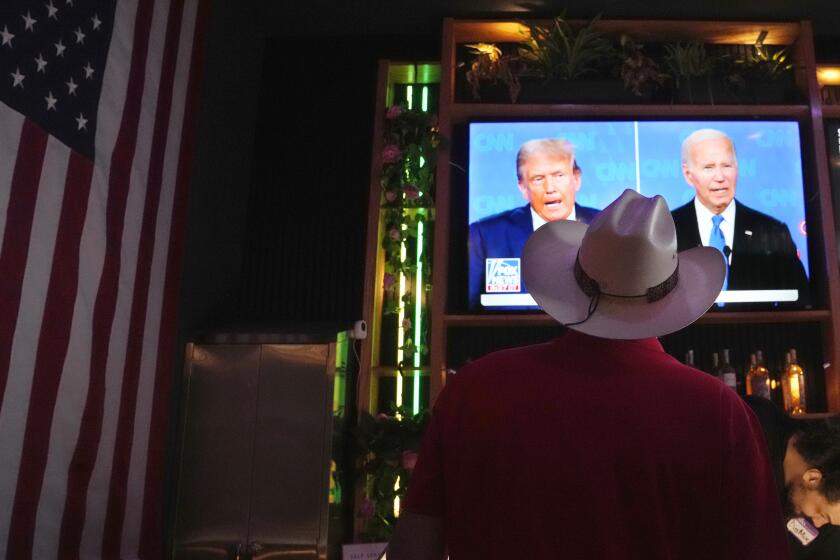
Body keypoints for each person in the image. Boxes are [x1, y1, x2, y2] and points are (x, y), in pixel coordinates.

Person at [387, 190, 790, 559]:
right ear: (670, 294)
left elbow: (415, 544)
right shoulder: (718, 409)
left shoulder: (475, 388)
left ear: (571, 280)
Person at [671, 128, 808, 297]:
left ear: (737, 168)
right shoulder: (666, 230)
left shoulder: (772, 232)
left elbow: (801, 299)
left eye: (727, 165)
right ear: (688, 174)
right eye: (709, 167)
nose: (720, 177)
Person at [468, 138, 598, 308]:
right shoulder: (485, 236)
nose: (550, 188)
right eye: (538, 179)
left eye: (559, 175)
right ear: (523, 187)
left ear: (576, 179)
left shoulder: (606, 229)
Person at [746, 396, 840, 559]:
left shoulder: (824, 525)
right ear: (813, 478)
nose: (817, 523)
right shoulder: (753, 425)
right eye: (822, 515)